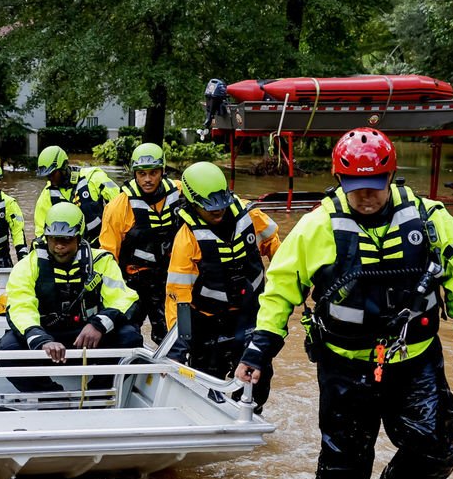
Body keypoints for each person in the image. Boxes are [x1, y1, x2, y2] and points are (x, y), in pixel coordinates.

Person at [234, 127, 453, 479]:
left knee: (434, 448)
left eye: (375, 186)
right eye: (356, 188)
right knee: (344, 460)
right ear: (339, 179)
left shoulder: (431, 219)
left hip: (414, 359)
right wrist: (259, 351)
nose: (366, 196)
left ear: (390, 177)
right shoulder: (317, 227)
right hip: (344, 364)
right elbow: (280, 290)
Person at [165, 161, 280, 403]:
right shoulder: (187, 239)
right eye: (210, 208)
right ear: (193, 203)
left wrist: (288, 282)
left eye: (221, 205)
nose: (218, 212)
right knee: (206, 384)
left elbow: (277, 246)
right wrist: (178, 344)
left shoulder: (250, 216)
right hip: (208, 321)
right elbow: (178, 293)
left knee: (257, 379)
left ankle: (251, 411)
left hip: (249, 313)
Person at [0, 202, 142, 392]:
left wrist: (99, 324)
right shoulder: (28, 265)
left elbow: (124, 299)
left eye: (66, 240)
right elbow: (20, 306)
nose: (59, 246)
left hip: (89, 338)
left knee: (131, 337)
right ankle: (52, 396)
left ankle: (95, 394)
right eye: (53, 239)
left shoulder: (101, 262)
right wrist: (41, 340)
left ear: (79, 238)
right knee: (7, 349)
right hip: (47, 339)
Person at [99, 143, 185, 344]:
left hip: (169, 281)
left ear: (162, 172)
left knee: (173, 338)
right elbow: (108, 256)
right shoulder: (118, 207)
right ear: (135, 174)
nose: (147, 179)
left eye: (153, 173)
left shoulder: (180, 192)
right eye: (142, 174)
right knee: (125, 336)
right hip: (134, 283)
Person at [32, 145, 119, 245]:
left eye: (52, 174)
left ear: (63, 167)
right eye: (47, 175)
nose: (49, 178)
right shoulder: (46, 195)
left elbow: (119, 203)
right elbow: (41, 231)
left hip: (101, 241)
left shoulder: (92, 177)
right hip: (69, 248)